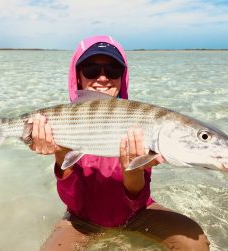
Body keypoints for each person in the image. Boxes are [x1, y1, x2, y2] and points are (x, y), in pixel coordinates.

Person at [30, 35, 210, 251]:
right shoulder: (66, 124)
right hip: (81, 220)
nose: (103, 78)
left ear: (122, 76)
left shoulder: (139, 118)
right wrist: (60, 155)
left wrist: (132, 168)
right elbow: (74, 202)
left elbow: (136, 200)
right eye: (91, 69)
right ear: (77, 76)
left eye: (113, 69)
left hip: (137, 214)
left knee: (195, 243)